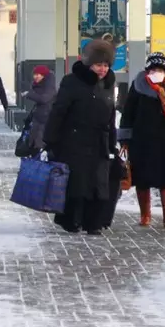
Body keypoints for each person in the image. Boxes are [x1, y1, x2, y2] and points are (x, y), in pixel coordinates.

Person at [43, 40, 117, 235]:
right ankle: (72, 220)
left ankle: (94, 223)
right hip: (74, 141)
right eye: (98, 64)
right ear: (89, 64)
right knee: (77, 184)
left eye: (106, 65)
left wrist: (112, 143)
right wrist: (50, 139)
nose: (103, 69)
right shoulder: (72, 82)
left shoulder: (109, 83)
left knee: (99, 184)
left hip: (100, 142)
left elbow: (111, 116)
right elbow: (58, 111)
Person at [119, 52, 165, 228]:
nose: (156, 72)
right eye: (153, 69)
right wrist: (125, 138)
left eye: (160, 69)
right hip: (141, 140)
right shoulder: (138, 86)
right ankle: (145, 216)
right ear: (147, 70)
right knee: (142, 178)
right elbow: (128, 113)